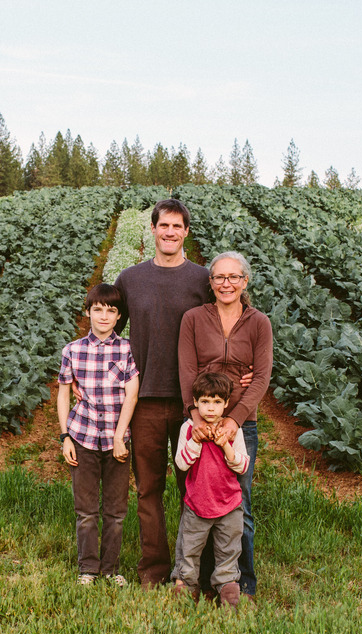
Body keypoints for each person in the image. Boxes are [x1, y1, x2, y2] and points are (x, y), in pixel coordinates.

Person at [111, 198, 212, 587]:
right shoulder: (130, 279)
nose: (169, 232)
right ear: (152, 230)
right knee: (149, 488)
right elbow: (109, 335)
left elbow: (228, 326)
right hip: (145, 401)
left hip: (194, 404)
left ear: (186, 232)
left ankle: (194, 572)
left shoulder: (202, 279)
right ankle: (154, 570)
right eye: (163, 225)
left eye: (177, 226)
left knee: (197, 487)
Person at [178, 250, 273, 598]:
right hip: (200, 422)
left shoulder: (259, 322)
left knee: (238, 502)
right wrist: (195, 418)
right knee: (196, 499)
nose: (226, 283)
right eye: (219, 277)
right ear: (211, 283)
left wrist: (235, 419)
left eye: (234, 277)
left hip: (241, 425)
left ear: (245, 282)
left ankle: (241, 583)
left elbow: (261, 377)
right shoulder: (193, 318)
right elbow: (187, 370)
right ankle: (197, 580)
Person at [57, 283, 140, 586]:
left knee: (116, 511)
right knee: (87, 510)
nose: (103, 316)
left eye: (111, 311)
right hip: (83, 438)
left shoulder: (128, 349)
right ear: (89, 311)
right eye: (98, 310)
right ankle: (88, 569)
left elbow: (131, 395)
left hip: (118, 440)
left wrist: (120, 437)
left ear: (119, 316)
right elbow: (64, 395)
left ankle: (111, 568)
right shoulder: (73, 350)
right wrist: (66, 436)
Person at [171, 371, 249, 609]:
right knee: (190, 549)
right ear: (195, 403)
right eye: (205, 402)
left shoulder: (233, 430)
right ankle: (185, 587)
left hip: (229, 503)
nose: (211, 409)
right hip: (198, 502)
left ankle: (227, 589)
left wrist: (225, 444)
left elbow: (243, 465)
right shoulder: (188, 429)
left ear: (226, 404)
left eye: (217, 402)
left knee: (229, 549)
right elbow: (181, 463)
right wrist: (196, 441)